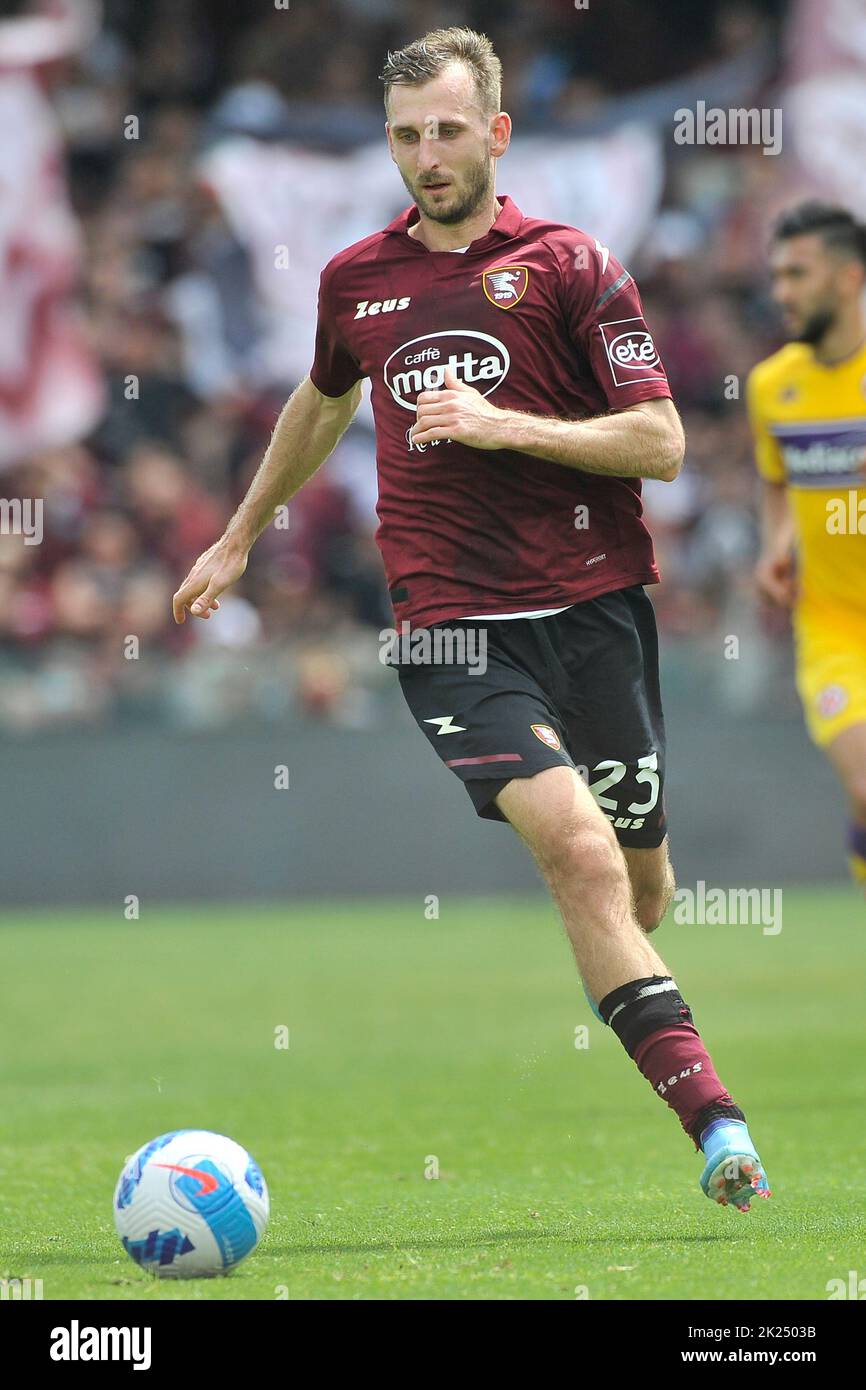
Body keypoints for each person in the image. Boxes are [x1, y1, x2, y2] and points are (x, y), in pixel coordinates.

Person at [174, 26, 770, 1211]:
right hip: (452, 625)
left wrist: (509, 425)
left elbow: (658, 441)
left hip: (596, 612)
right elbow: (321, 396)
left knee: (637, 889)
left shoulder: (571, 264)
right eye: (405, 136)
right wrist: (242, 531)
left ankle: (629, 979)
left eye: (446, 130)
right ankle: (718, 1127)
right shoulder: (357, 279)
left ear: (494, 132)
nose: (426, 155)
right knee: (580, 853)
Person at [748, 201, 866, 888]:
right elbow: (775, 482)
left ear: (849, 278)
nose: (781, 292)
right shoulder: (772, 386)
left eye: (798, 274)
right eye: (776, 275)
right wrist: (774, 545)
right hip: (833, 628)